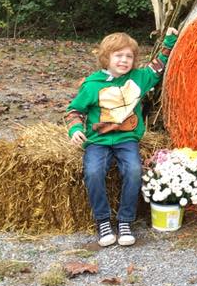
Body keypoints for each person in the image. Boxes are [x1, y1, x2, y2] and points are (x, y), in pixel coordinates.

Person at [65, 29, 178, 247]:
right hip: (98, 141)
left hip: (127, 139)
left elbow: (157, 67)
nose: (124, 60)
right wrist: (75, 129)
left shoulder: (138, 78)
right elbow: (74, 110)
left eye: (129, 56)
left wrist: (170, 40)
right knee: (93, 171)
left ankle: (125, 220)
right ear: (106, 58)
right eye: (118, 55)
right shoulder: (92, 85)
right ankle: (103, 221)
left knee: (134, 170)